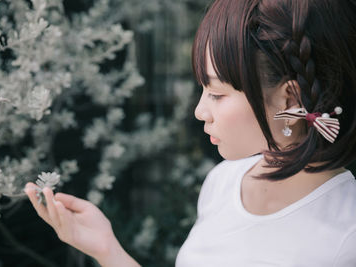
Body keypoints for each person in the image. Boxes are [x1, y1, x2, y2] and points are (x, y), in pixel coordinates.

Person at [25, 0, 356, 266]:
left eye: (216, 93)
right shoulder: (223, 183)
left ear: (291, 98)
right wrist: (107, 250)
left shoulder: (346, 233)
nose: (199, 111)